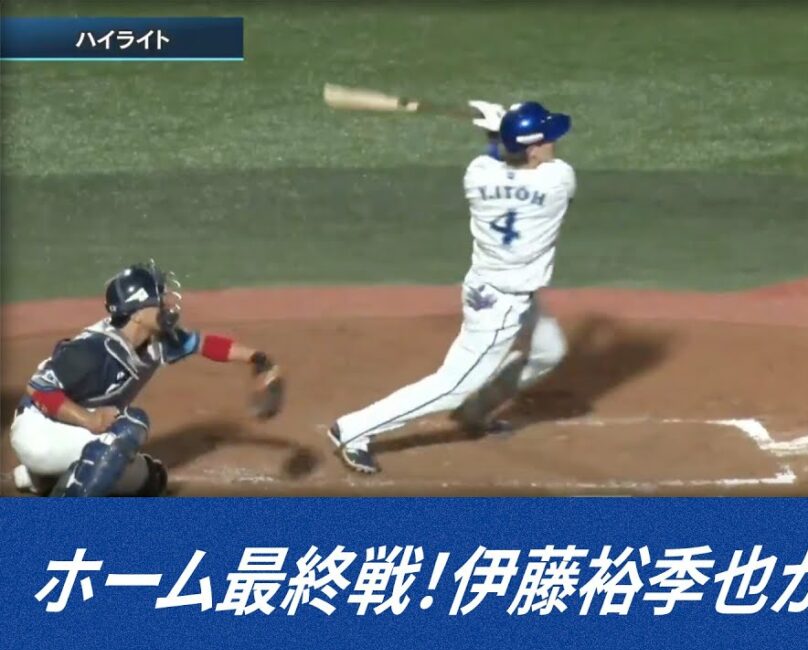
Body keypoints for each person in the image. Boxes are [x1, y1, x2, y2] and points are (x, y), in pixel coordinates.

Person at [328, 101, 577, 474]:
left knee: (549, 351)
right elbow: (513, 157)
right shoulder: (558, 181)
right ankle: (353, 429)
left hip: (489, 285)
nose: (554, 143)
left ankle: (476, 411)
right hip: (501, 307)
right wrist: (499, 127)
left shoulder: (477, 175)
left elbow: (496, 157)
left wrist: (496, 131)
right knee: (453, 384)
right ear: (533, 149)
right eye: (548, 139)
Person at [8, 261, 285, 496]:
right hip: (39, 432)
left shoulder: (158, 340)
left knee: (151, 480)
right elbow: (39, 389)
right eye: (158, 300)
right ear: (138, 313)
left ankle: (41, 478)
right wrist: (88, 419)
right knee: (130, 426)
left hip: (72, 436)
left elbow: (205, 344)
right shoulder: (92, 349)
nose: (166, 304)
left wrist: (259, 359)